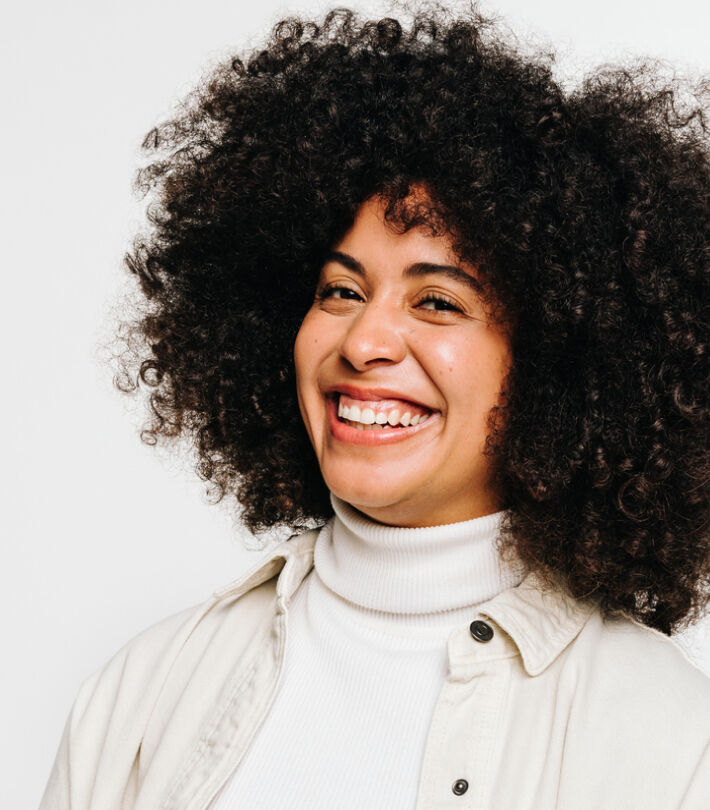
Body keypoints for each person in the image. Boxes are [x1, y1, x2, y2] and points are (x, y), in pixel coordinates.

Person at [40, 4, 710, 808]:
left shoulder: (670, 742)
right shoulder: (145, 691)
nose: (364, 342)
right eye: (341, 290)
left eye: (437, 302)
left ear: (558, 366)